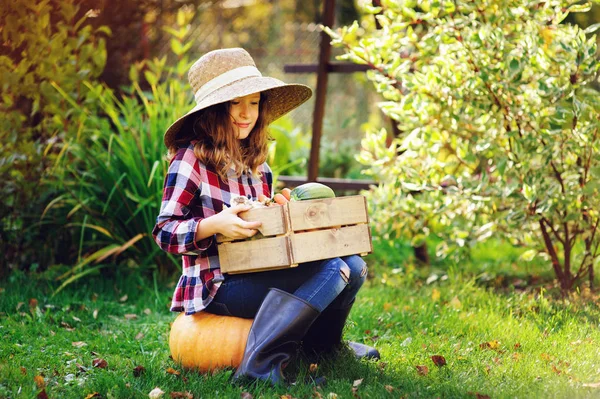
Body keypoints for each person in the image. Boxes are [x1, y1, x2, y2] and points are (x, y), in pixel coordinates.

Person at [152, 48, 379, 386]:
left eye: (254, 102)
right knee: (333, 268)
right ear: (215, 109)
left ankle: (324, 348)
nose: (247, 114)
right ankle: (260, 367)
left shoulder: (259, 167)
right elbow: (164, 231)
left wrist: (280, 212)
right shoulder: (191, 160)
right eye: (235, 103)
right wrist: (215, 224)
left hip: (259, 271)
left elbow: (267, 233)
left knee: (353, 264)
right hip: (217, 285)